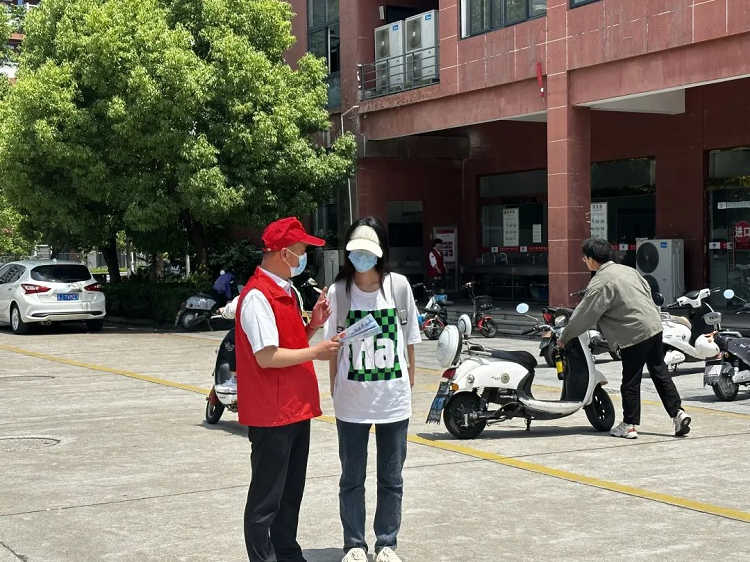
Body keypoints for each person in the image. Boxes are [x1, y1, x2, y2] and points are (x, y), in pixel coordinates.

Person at [236, 217, 341, 562]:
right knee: (267, 499)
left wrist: (313, 326)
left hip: (294, 408)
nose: (304, 257)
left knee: (290, 493)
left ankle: (287, 553)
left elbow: (288, 344)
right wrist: (317, 352)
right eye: (301, 251)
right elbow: (266, 357)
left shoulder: (286, 291)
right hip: (272, 413)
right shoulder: (257, 296)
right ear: (284, 253)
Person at [324, 217, 421, 562]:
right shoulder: (338, 292)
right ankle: (354, 544)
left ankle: (386, 544)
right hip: (351, 402)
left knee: (391, 478)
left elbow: (409, 340)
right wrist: (335, 389)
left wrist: (409, 382)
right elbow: (332, 347)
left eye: (368, 251)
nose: (362, 258)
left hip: (393, 400)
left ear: (381, 252)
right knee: (352, 478)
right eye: (356, 251)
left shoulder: (398, 287)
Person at [558, 238, 691, 439]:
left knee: (631, 380)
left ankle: (629, 425)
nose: (585, 261)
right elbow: (648, 292)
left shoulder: (600, 282)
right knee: (660, 372)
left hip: (632, 333)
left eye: (585, 258)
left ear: (592, 259)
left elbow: (585, 314)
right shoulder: (629, 271)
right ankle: (678, 413)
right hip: (654, 327)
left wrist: (565, 336)